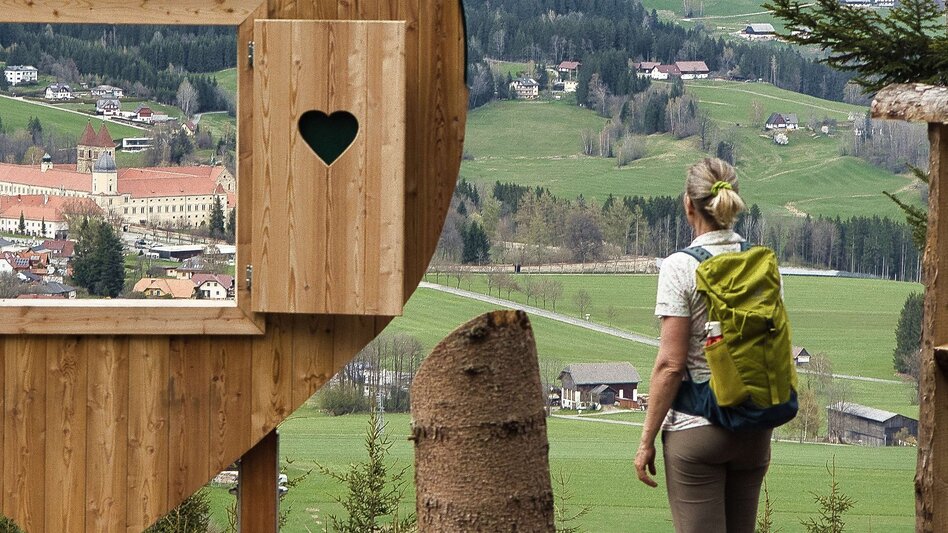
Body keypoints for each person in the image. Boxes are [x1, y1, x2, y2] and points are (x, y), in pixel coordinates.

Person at [633, 158, 771, 533]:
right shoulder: (760, 264)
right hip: (755, 427)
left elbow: (671, 365)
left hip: (698, 430)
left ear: (688, 205)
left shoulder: (680, 267)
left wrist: (646, 440)